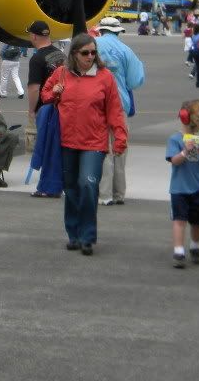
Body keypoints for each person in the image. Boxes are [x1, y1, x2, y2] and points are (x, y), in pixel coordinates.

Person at [41, 33, 127, 256]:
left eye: (93, 52)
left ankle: (87, 236)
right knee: (70, 189)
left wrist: (120, 138)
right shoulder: (61, 74)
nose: (90, 56)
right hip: (67, 140)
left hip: (94, 143)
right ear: (74, 54)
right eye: (85, 53)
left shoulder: (105, 77)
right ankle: (74, 234)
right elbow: (45, 94)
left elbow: (114, 111)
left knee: (88, 185)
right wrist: (54, 93)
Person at [95, 16, 145, 206]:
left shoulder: (92, 45)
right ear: (118, 31)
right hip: (119, 105)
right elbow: (135, 80)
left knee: (102, 149)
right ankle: (119, 193)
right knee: (120, 148)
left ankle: (104, 194)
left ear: (101, 30)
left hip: (96, 104)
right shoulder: (126, 50)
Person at [166, 100, 199, 268]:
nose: (197, 128)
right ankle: (178, 250)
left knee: (197, 220)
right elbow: (175, 161)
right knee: (179, 219)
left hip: (198, 187)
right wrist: (185, 151)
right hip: (179, 188)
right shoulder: (175, 139)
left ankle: (195, 245)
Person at [26, 20, 65, 153]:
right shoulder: (61, 54)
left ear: (34, 36)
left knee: (42, 148)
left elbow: (34, 88)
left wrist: (32, 110)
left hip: (45, 109)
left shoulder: (37, 59)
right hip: (62, 105)